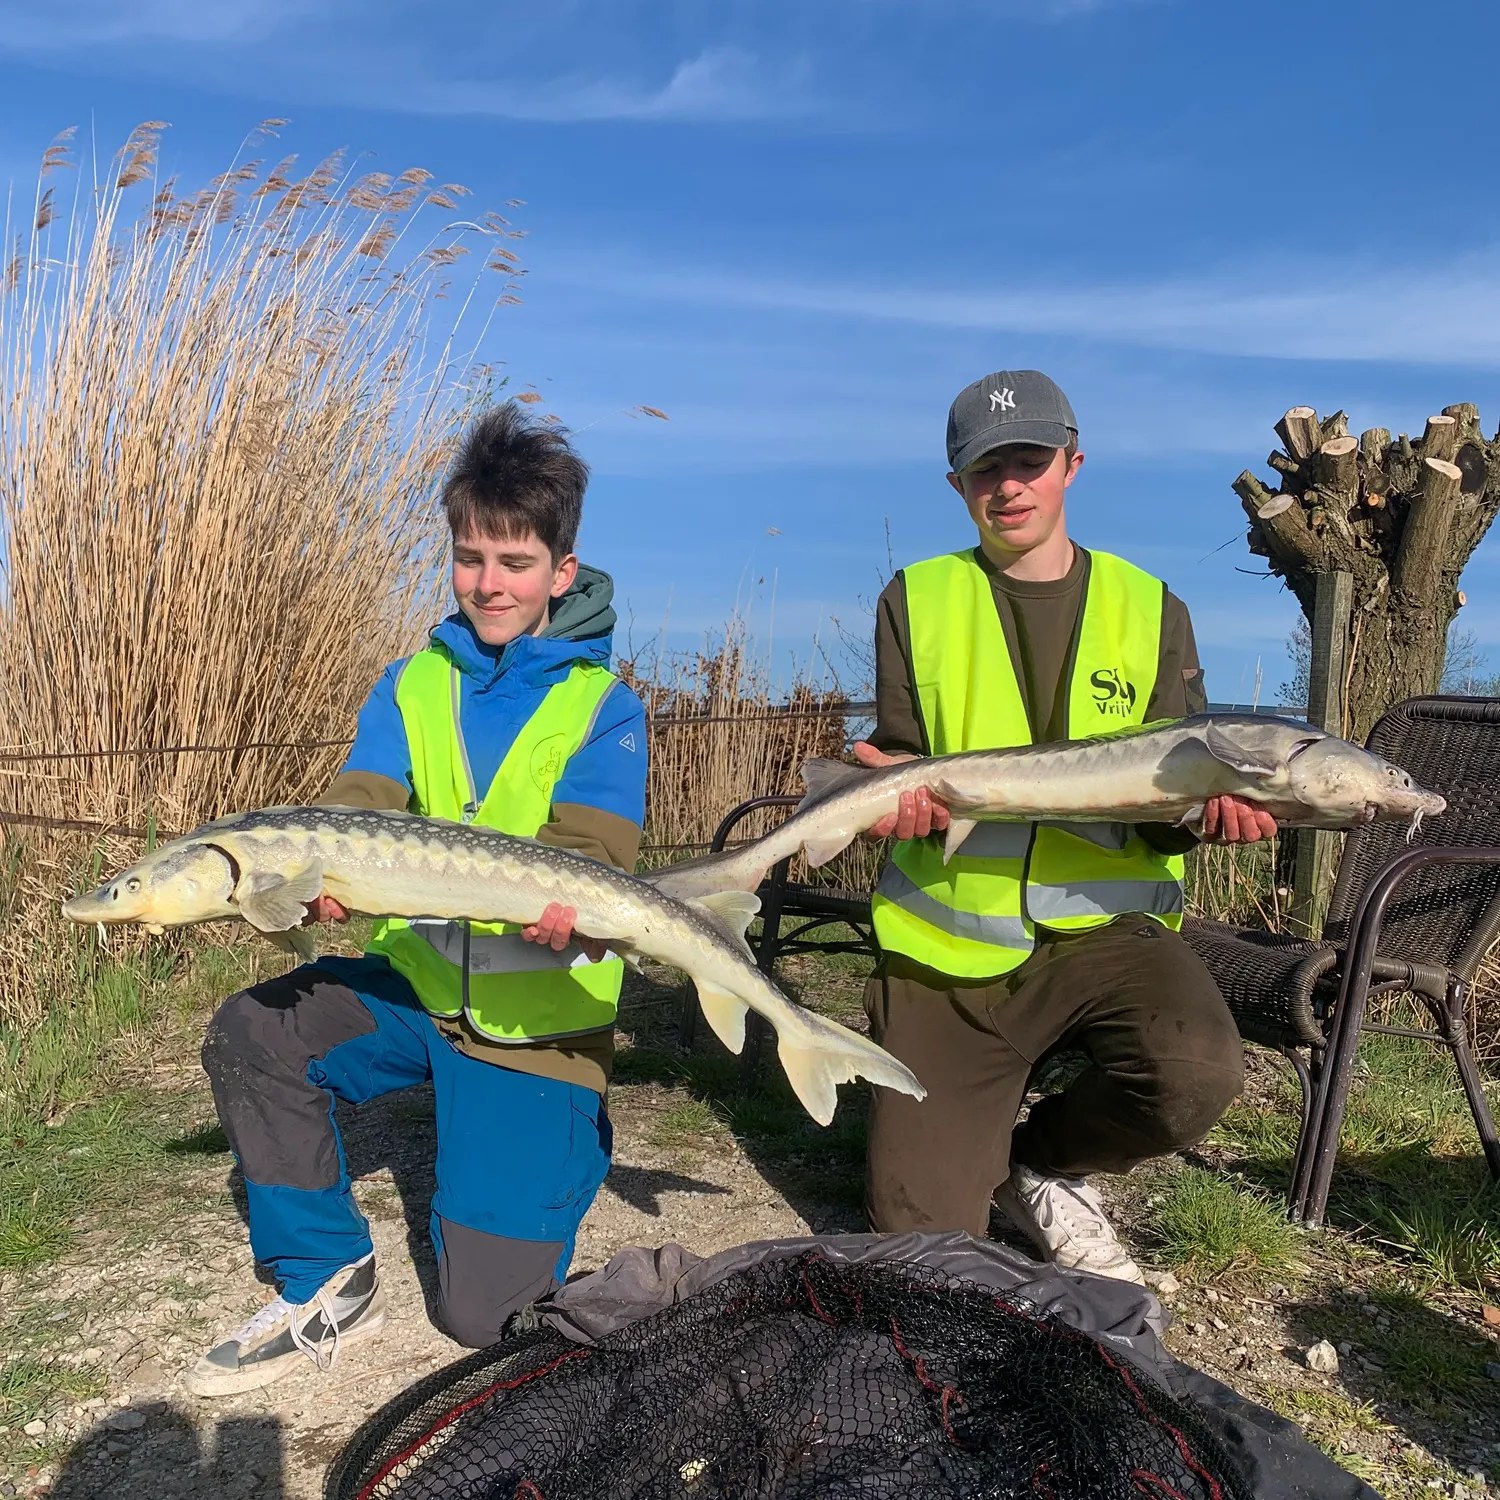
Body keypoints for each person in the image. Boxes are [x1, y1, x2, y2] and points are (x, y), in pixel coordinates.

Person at [187, 402, 648, 1395]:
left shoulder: (603, 706)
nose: (490, 582)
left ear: (559, 573)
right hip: (419, 992)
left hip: (536, 1022)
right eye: (471, 556)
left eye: (515, 562)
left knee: (483, 1319)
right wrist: (315, 877)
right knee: (251, 1032)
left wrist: (567, 906)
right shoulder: (410, 683)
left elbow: (594, 849)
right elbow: (360, 798)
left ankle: (568, 1134)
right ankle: (327, 1273)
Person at [856, 369, 1273, 1283]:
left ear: (1072, 466)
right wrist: (896, 803)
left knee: (1195, 1072)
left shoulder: (1152, 608)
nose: (1008, 484)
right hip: (948, 950)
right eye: (984, 468)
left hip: (1105, 933)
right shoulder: (912, 600)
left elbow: (1176, 807)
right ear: (958, 485)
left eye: (1029, 461)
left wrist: (1207, 820)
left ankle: (1046, 1163)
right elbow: (897, 760)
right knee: (919, 1248)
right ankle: (960, 1140)